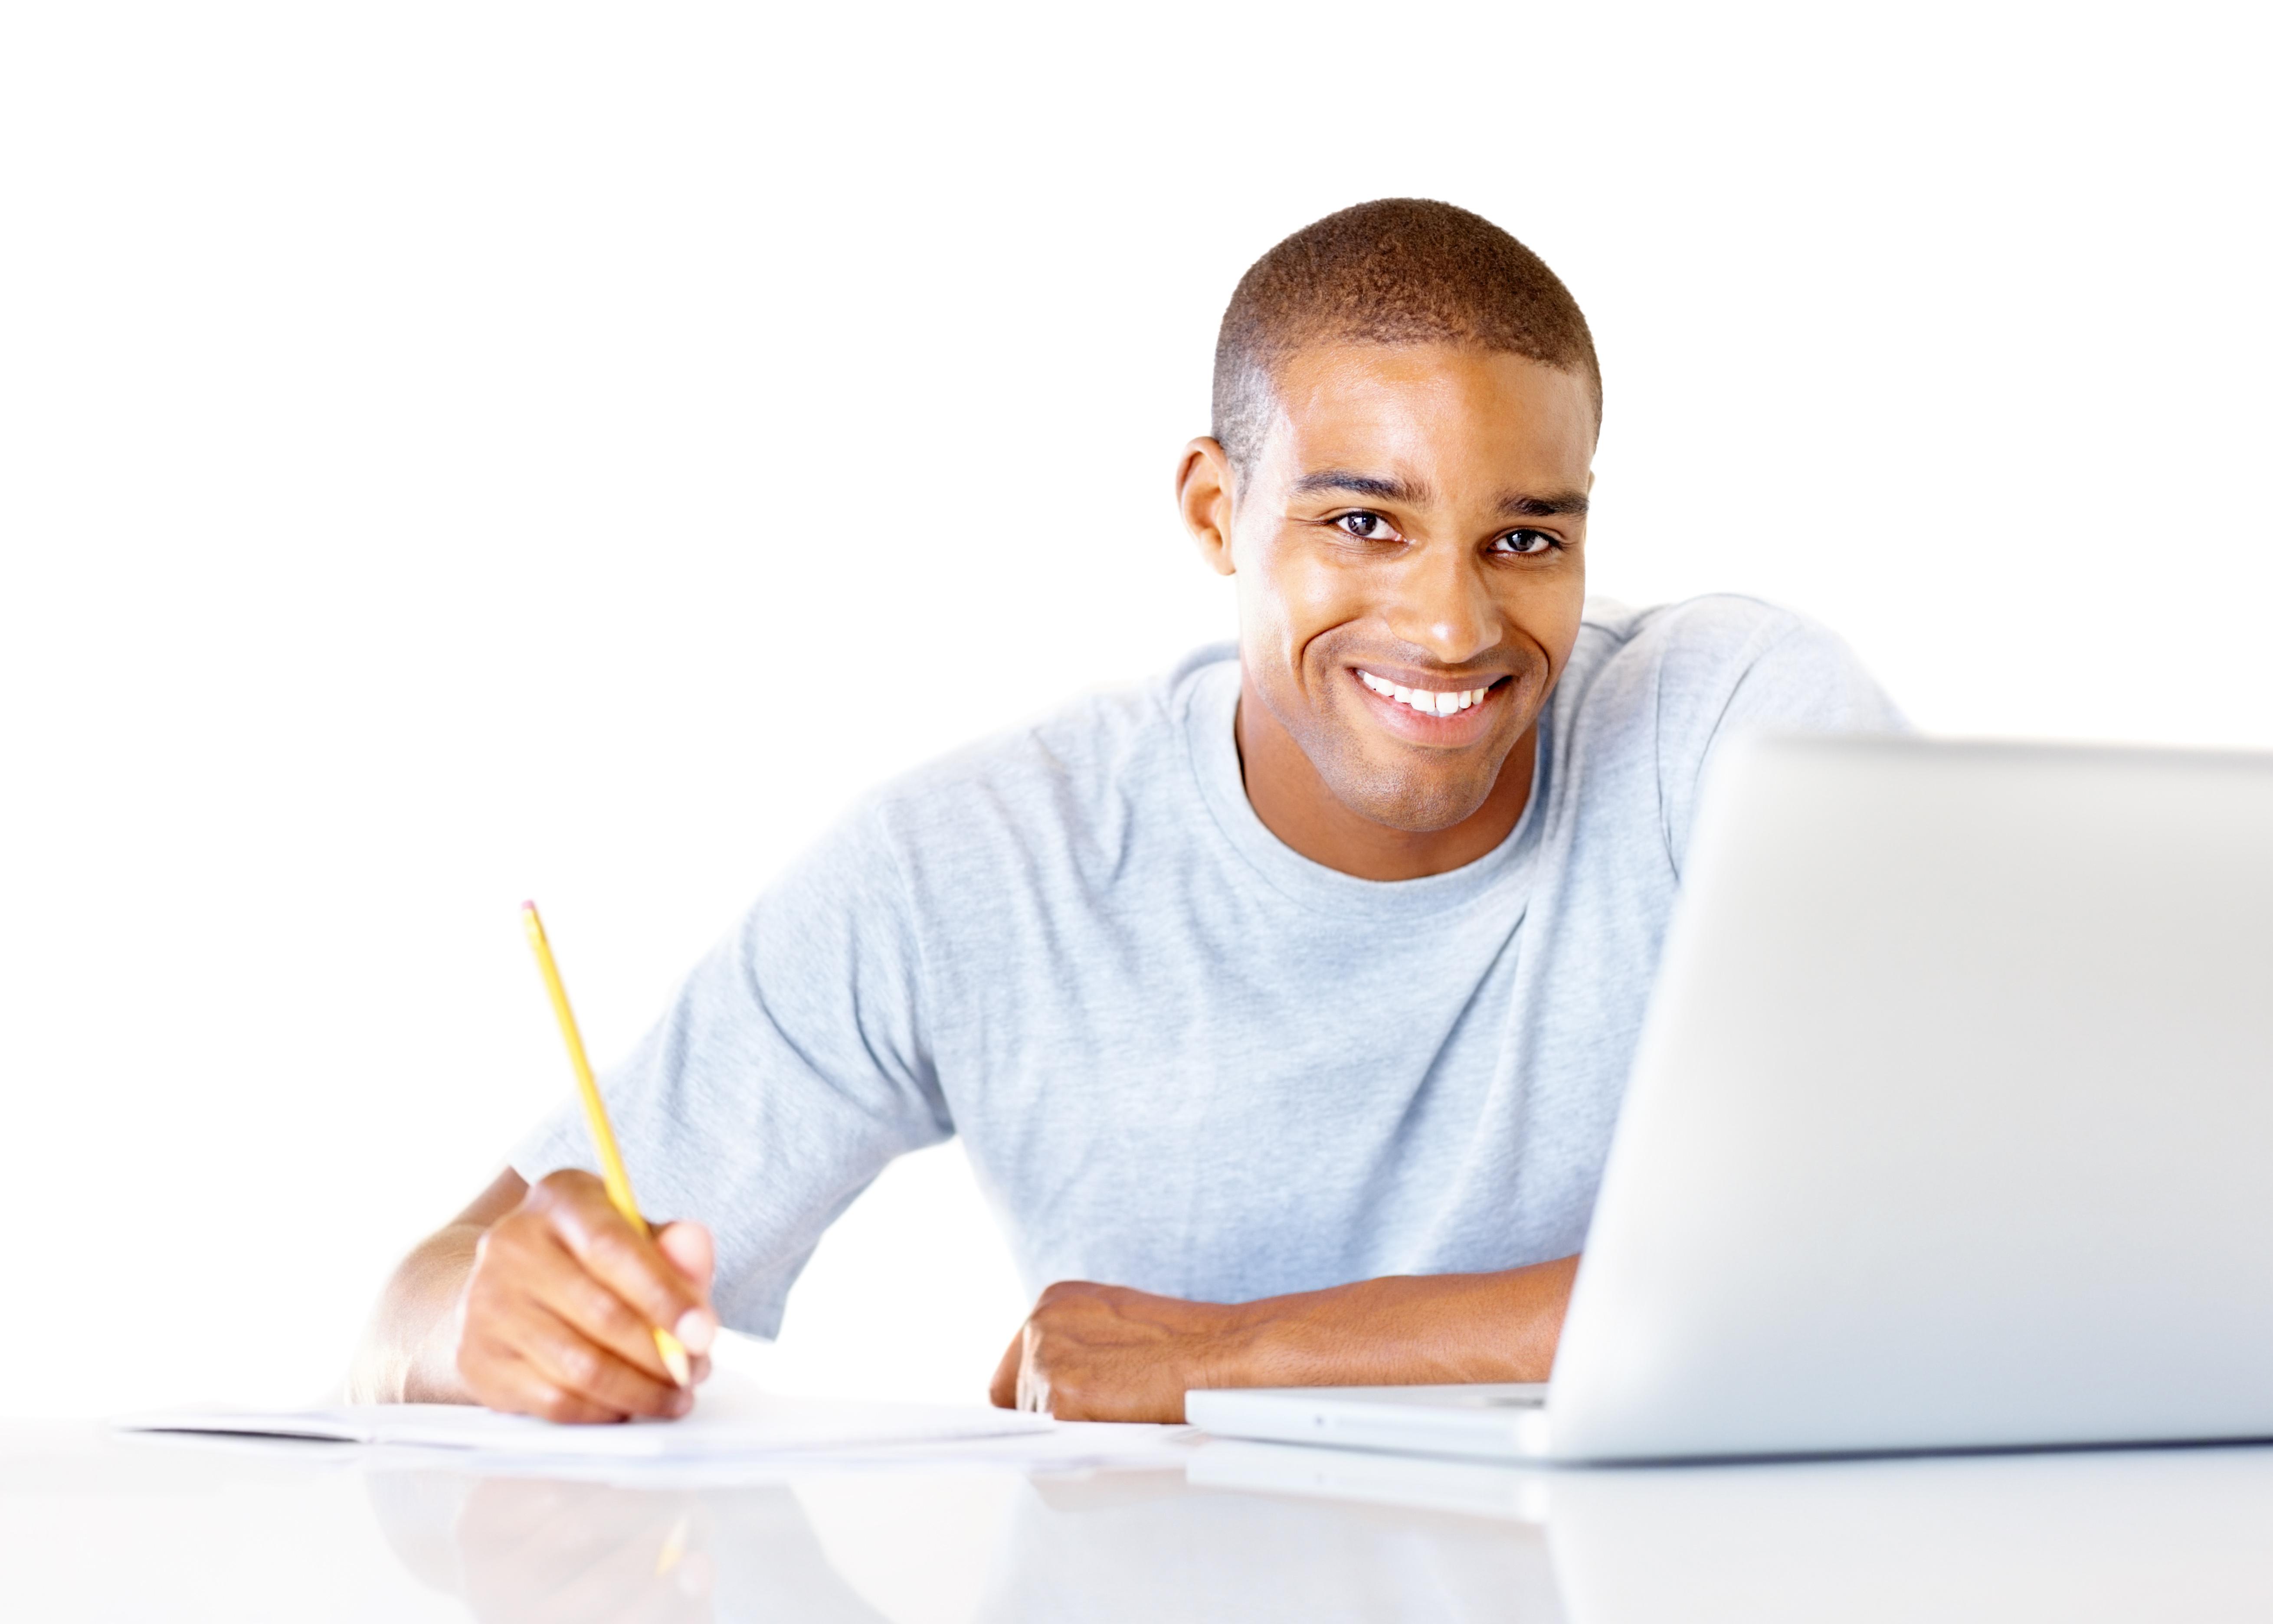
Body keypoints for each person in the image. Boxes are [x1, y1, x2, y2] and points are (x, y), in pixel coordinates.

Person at [351, 198, 1901, 1424]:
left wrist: (1228, 1356)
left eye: (1524, 539)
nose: (1450, 626)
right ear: (1218, 512)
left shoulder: (1734, 729)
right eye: (1364, 522)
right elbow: (418, 1302)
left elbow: (1869, 1266)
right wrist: (486, 1326)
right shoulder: (976, 868)